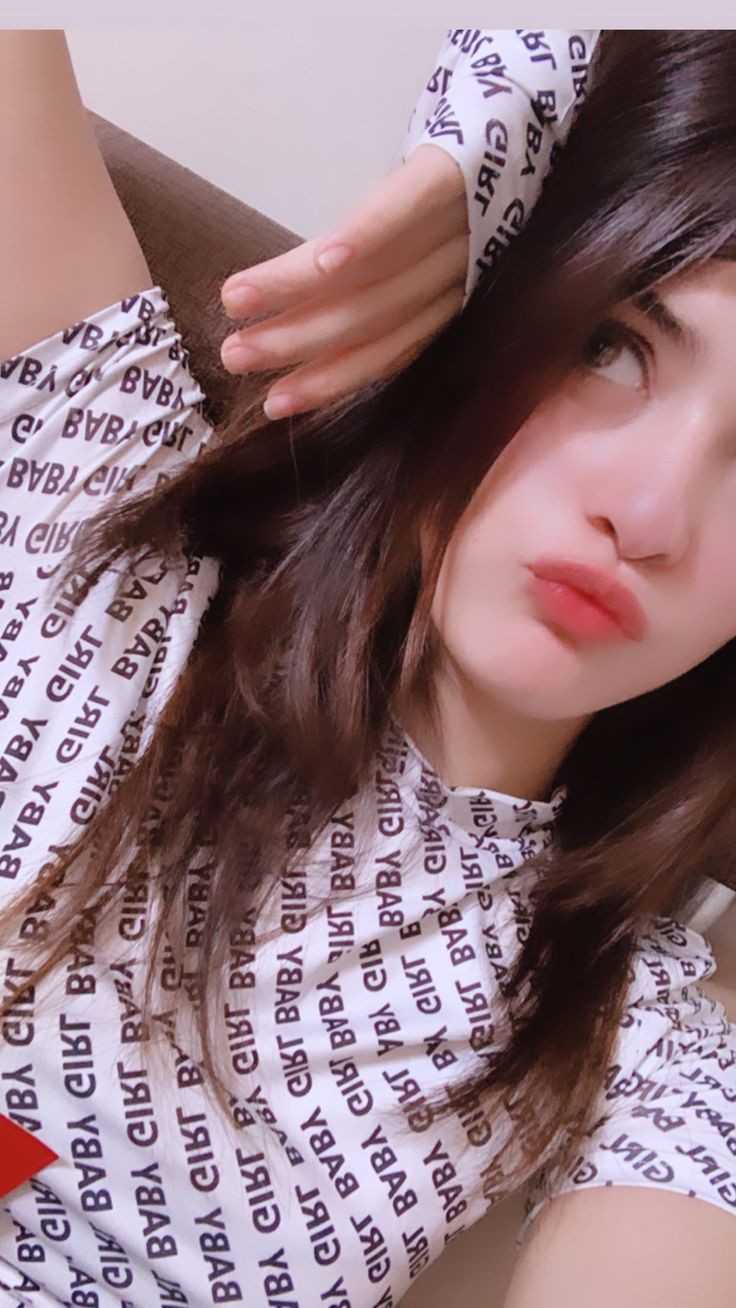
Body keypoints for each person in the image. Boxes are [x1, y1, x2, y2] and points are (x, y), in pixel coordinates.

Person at [0, 27, 735, 1308]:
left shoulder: (624, 1037)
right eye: (610, 346)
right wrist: (515, 110)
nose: (648, 514)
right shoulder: (107, 484)